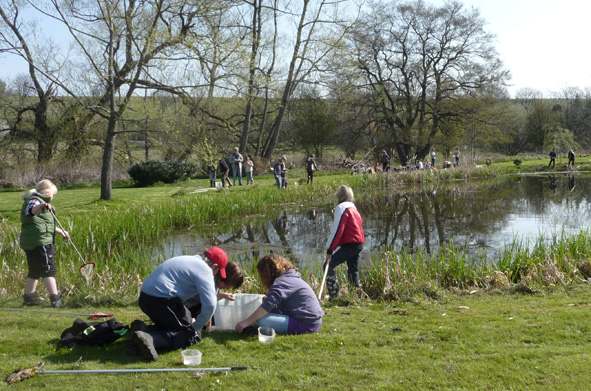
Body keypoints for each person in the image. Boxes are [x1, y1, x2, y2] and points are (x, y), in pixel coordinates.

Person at [131, 247, 244, 361]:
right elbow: (210, 305)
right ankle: (152, 339)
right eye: (217, 271)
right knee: (191, 335)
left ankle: (143, 329)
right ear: (214, 266)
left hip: (146, 298)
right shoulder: (205, 270)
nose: (215, 274)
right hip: (160, 301)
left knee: (181, 324)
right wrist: (196, 327)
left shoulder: (191, 260)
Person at [235, 254, 323, 335]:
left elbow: (267, 306)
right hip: (313, 321)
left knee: (261, 320)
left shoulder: (282, 282)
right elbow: (273, 303)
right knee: (262, 314)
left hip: (305, 325)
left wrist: (246, 322)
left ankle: (256, 330)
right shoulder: (290, 277)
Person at [20, 179, 70, 308]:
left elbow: (43, 224)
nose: (53, 197)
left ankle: (29, 298)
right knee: (49, 270)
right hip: (40, 242)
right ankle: (55, 299)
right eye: (53, 194)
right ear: (47, 192)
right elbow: (31, 211)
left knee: (35, 271)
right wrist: (41, 206)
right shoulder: (35, 201)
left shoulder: (39, 202)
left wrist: (61, 231)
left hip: (34, 241)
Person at [324, 185, 365, 300]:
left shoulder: (341, 208)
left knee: (328, 266)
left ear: (339, 196)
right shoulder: (354, 209)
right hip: (358, 243)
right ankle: (357, 296)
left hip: (350, 244)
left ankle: (334, 296)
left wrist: (330, 249)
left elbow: (338, 230)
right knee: (353, 269)